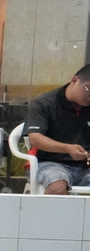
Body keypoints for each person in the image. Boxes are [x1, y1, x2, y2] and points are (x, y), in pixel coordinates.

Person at [24, 65, 90, 195]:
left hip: (85, 166)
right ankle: (49, 209)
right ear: (74, 81)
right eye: (89, 90)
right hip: (50, 163)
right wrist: (67, 149)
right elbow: (35, 139)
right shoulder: (43, 103)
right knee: (57, 187)